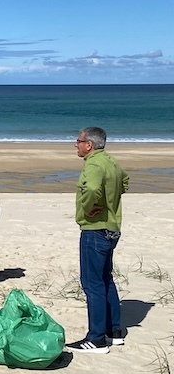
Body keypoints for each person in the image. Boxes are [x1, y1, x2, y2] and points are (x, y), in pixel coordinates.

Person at [66, 127, 129, 354]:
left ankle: (96, 339)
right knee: (105, 279)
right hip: (111, 228)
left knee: (92, 283)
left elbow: (92, 188)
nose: (76, 144)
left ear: (89, 145)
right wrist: (108, 202)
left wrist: (91, 206)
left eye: (79, 140)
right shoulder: (111, 162)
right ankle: (114, 332)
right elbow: (125, 182)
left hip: (96, 229)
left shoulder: (94, 163)